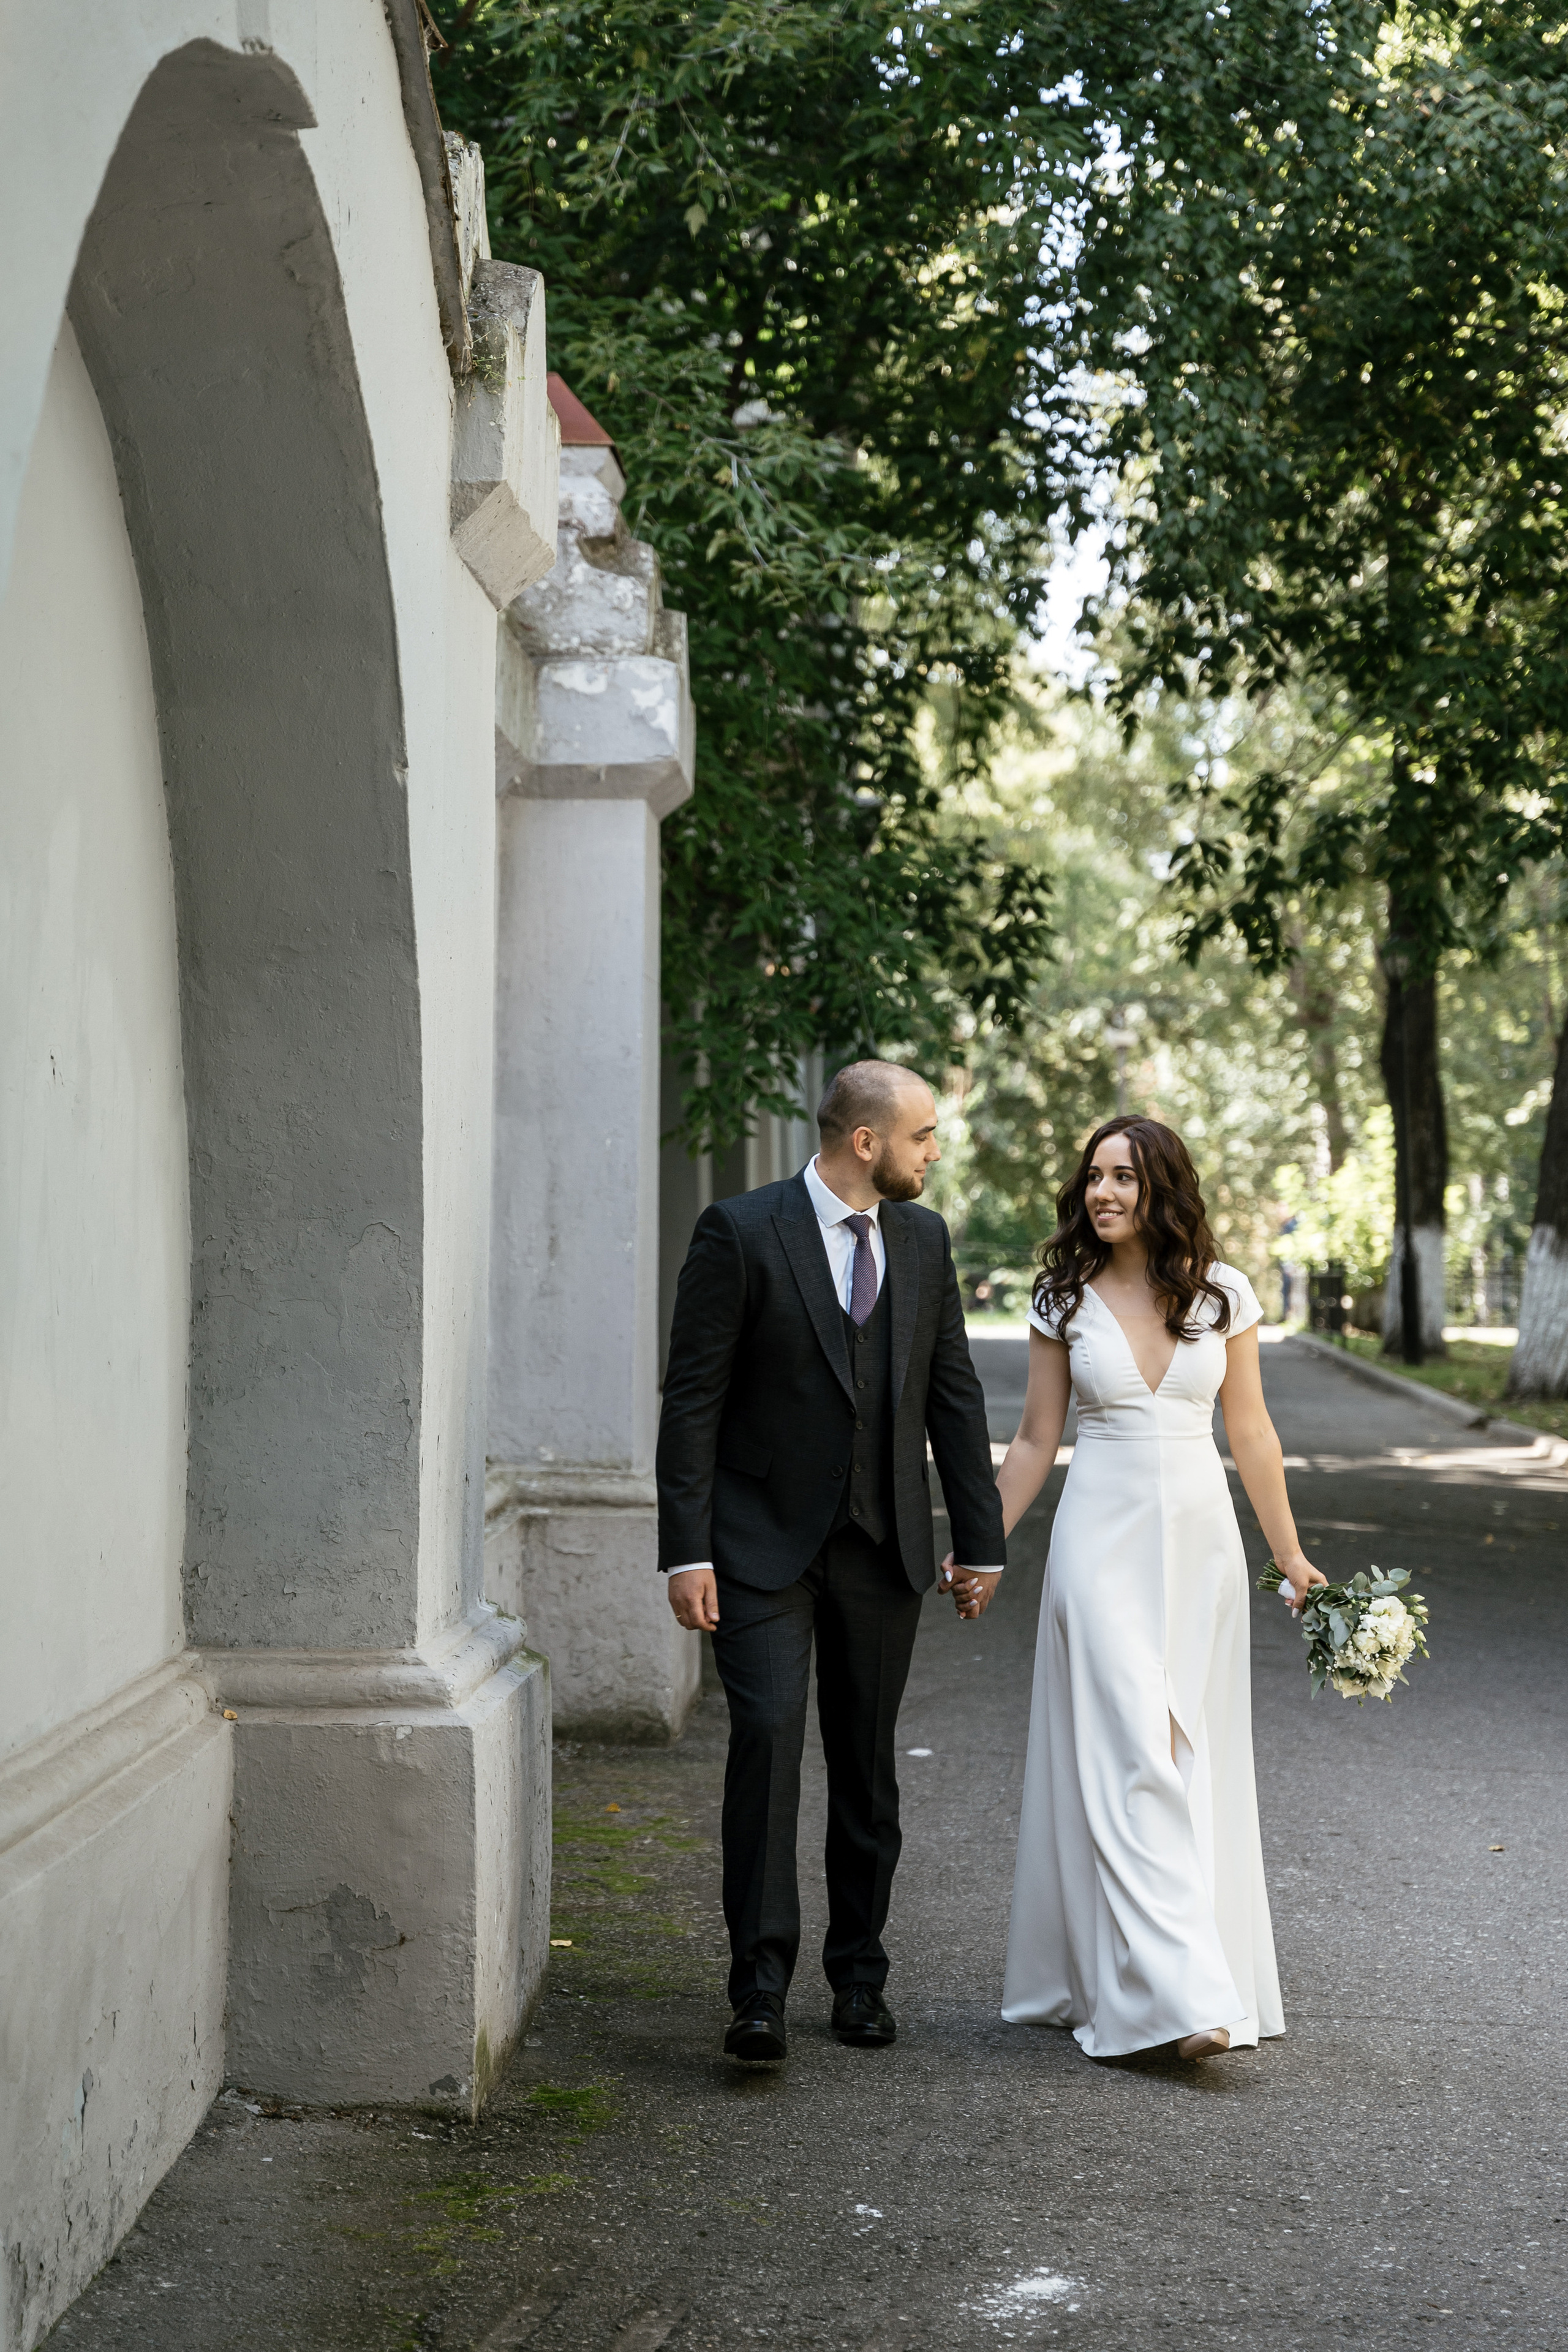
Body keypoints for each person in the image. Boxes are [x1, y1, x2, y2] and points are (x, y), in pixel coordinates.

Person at [946, 1118, 1325, 2062]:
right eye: (1093, 1179)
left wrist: (1289, 1554)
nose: (1103, 1194)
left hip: (1202, 1553)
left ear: (1164, 1188)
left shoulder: (1224, 1294)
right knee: (1132, 1750)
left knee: (1182, 1754)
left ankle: (1157, 1974)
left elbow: (1254, 1435)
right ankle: (1184, 1998)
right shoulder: (1059, 1298)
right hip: (1098, 1548)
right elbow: (1036, 1440)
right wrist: (982, 1548)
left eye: (1123, 1177)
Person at [657, 1060, 1005, 2062]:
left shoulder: (924, 1240)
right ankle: (758, 1990)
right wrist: (686, 1552)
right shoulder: (742, 1230)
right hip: (759, 1545)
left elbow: (954, 1395)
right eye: (924, 1135)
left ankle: (860, 1978)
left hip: (882, 1544)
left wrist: (979, 1541)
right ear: (867, 1142)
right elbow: (693, 1399)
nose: (934, 1151)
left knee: (865, 1767)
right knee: (765, 1742)